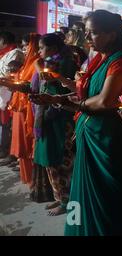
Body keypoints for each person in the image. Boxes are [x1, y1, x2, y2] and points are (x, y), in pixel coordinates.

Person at [36, 10, 122, 234]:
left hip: (106, 141)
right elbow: (86, 92)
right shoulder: (101, 59)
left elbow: (104, 101)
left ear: (111, 34)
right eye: (87, 32)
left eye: (93, 33)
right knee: (80, 192)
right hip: (89, 136)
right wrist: (57, 95)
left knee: (104, 198)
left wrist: (73, 106)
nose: (88, 38)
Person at [29, 33, 78, 216]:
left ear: (54, 48)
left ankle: (68, 202)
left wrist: (53, 84)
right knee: (50, 162)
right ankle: (60, 198)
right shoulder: (47, 63)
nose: (39, 51)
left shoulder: (65, 63)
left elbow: (66, 90)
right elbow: (42, 87)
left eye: (42, 48)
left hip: (60, 119)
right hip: (46, 118)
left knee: (62, 162)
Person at [8, 33, 40, 186]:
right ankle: (27, 177)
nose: (25, 49)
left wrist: (17, 85)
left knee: (28, 144)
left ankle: (34, 180)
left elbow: (32, 86)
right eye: (23, 46)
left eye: (27, 46)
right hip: (19, 108)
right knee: (22, 144)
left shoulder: (37, 63)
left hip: (28, 109)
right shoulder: (26, 63)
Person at [0, 32, 24, 164]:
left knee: (8, 124)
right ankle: (5, 149)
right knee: (4, 124)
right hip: (3, 93)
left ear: (3, 40)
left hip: (9, 93)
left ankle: (10, 151)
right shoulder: (5, 53)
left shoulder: (16, 53)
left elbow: (11, 73)